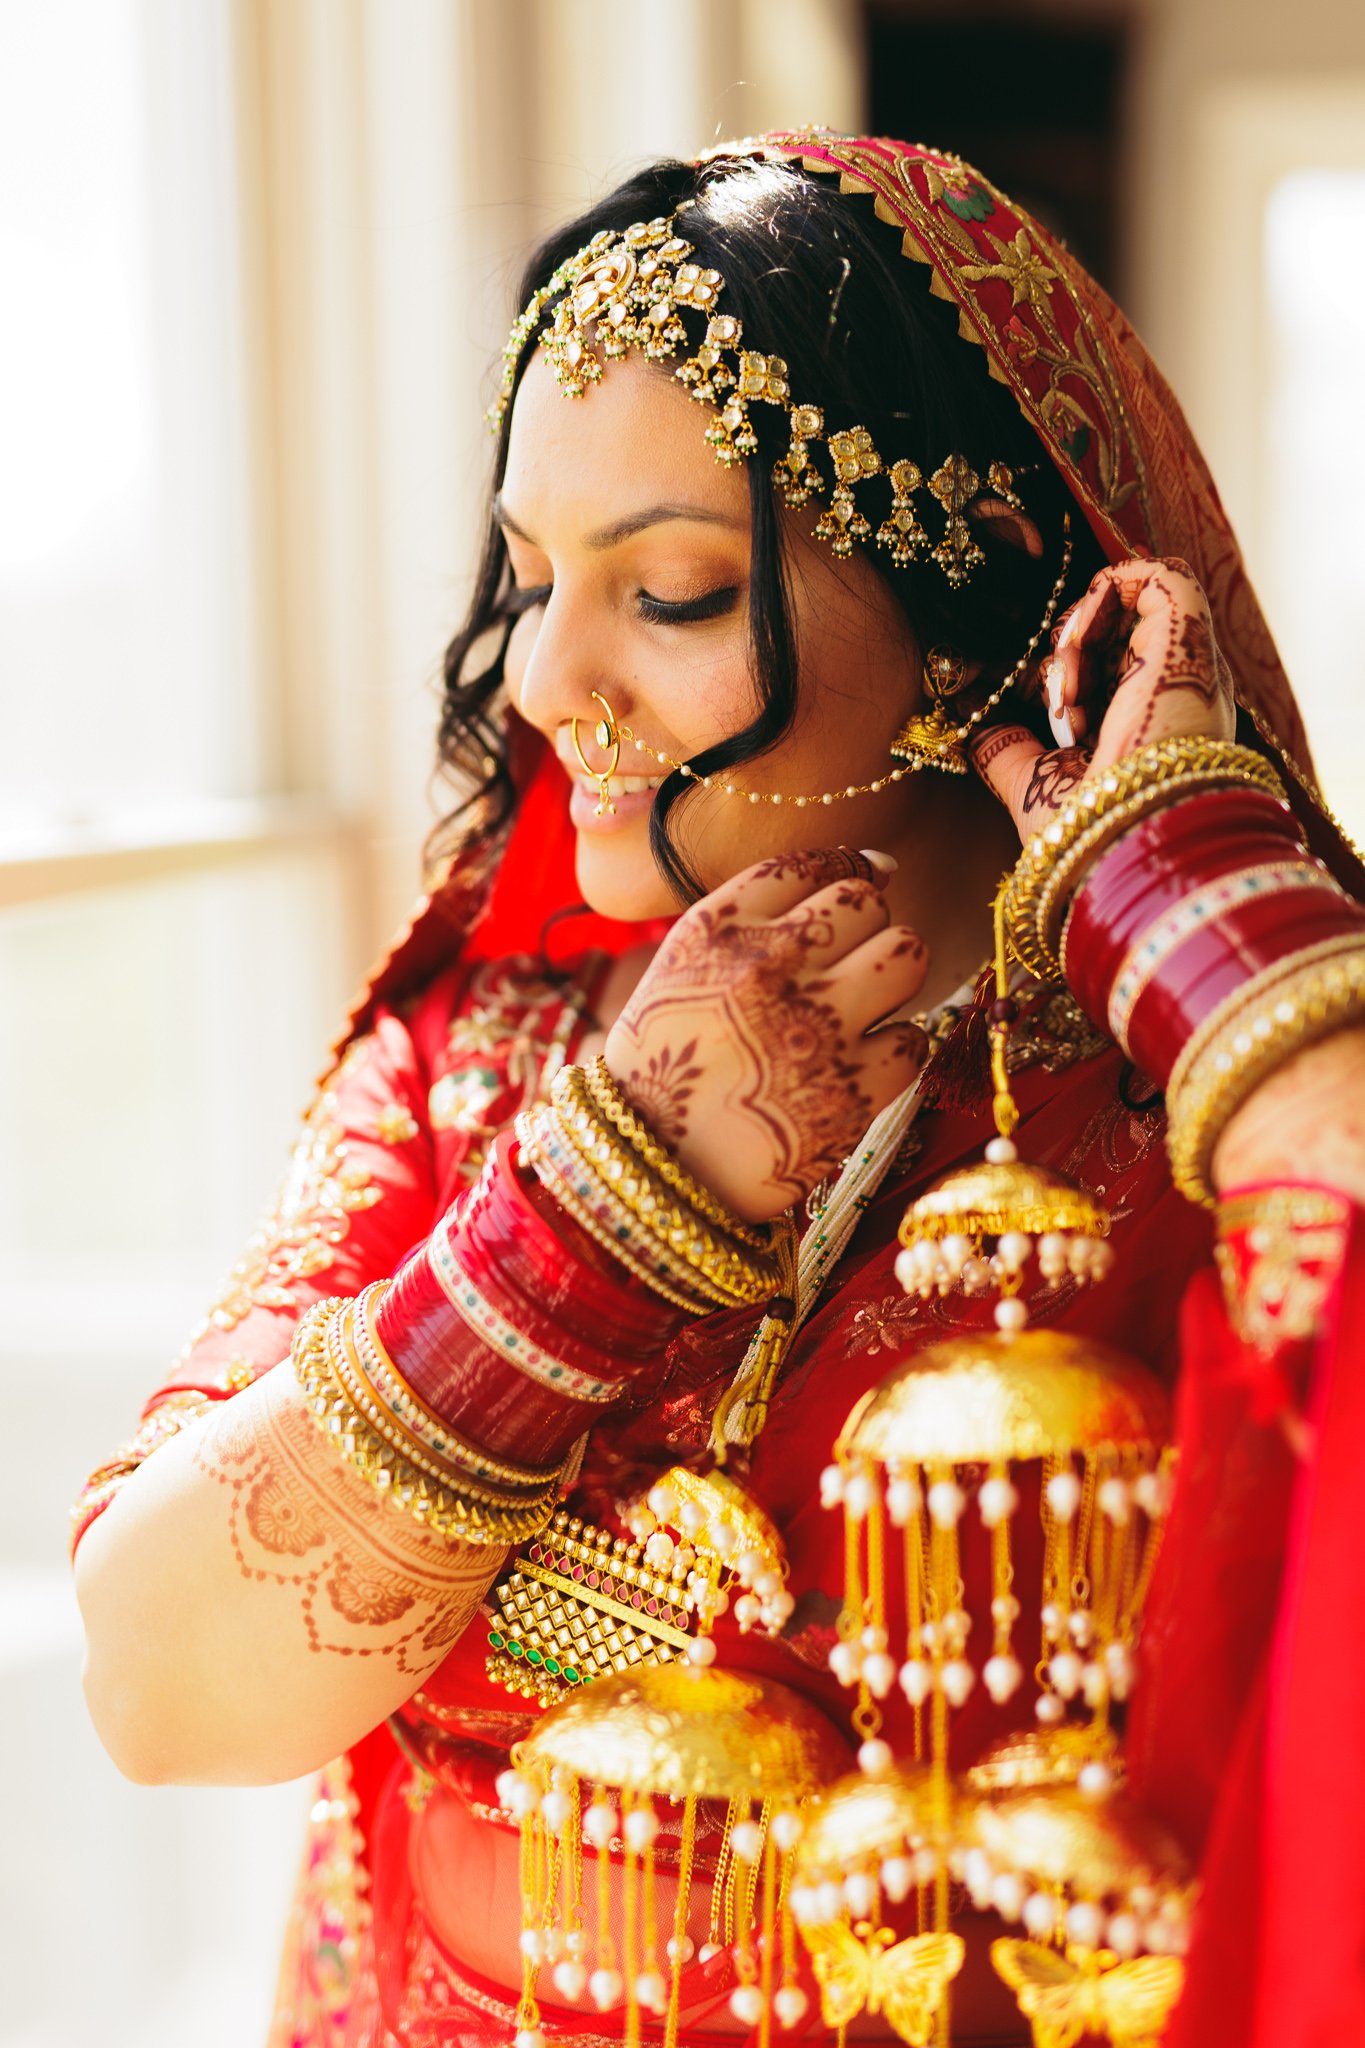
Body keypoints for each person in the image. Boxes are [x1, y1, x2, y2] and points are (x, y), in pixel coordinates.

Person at [70, 132, 1365, 2048]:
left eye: (667, 591)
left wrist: (1176, 916)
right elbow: (160, 1692)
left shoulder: (1192, 1096)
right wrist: (585, 1225)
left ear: (970, 597)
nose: (539, 678)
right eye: (525, 576)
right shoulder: (484, 1049)